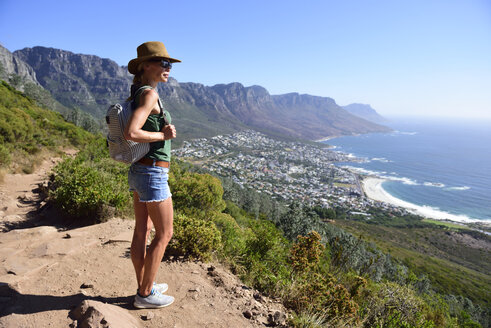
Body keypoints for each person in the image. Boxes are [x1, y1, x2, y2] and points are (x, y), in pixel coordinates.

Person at [124, 41, 180, 309]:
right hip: (153, 173)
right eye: (164, 63)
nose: (168, 68)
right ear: (146, 66)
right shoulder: (148, 95)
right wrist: (163, 134)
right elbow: (131, 132)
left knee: (142, 230)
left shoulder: (138, 91)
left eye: (169, 64)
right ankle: (145, 295)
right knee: (164, 233)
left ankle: (144, 286)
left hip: (139, 170)